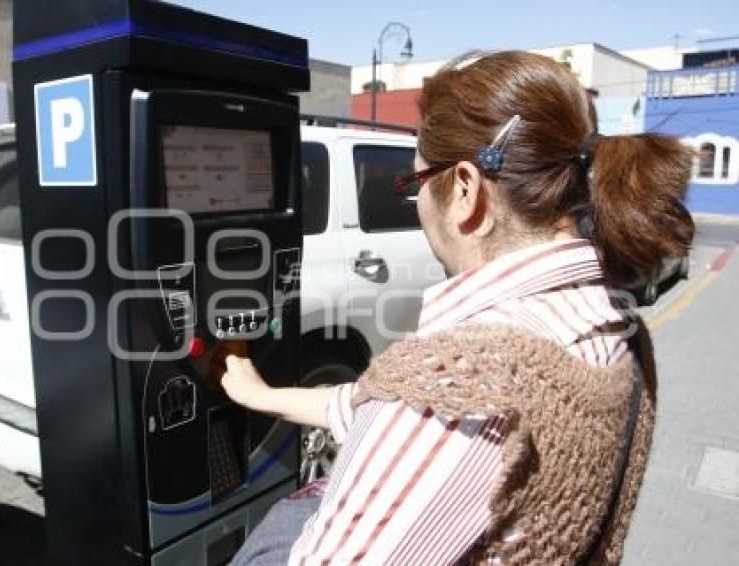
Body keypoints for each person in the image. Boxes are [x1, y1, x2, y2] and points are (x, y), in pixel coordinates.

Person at [222, 50, 694, 565]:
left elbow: (412, 419)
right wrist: (262, 395)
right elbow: (370, 406)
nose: (417, 202)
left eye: (415, 183)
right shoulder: (613, 324)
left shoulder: (460, 388)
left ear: (466, 191)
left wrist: (301, 512)